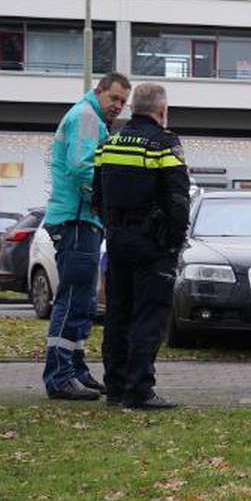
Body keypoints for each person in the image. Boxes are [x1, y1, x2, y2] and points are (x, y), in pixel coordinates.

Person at [94, 82, 190, 410]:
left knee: (118, 314)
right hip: (153, 244)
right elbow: (178, 197)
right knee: (149, 315)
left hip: (118, 240)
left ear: (133, 107)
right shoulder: (164, 143)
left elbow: (97, 194)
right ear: (162, 111)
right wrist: (174, 243)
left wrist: (112, 227)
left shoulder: (110, 142)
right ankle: (139, 390)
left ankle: (116, 387)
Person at [41, 72, 131, 401]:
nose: (118, 106)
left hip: (81, 221)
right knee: (73, 299)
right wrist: (107, 200)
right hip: (77, 221)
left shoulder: (90, 118)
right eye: (114, 99)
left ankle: (75, 369)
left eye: (123, 101)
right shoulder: (87, 118)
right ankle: (60, 376)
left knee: (83, 301)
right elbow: (81, 168)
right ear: (99, 92)